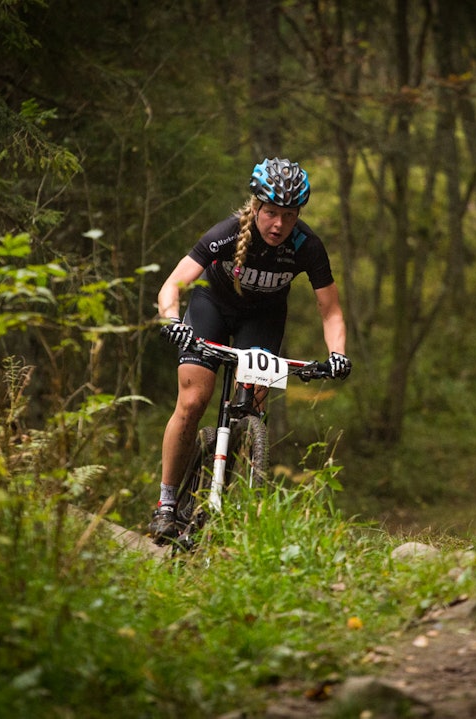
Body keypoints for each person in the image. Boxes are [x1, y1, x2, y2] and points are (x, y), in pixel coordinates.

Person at [150, 157, 350, 540]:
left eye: (289, 215)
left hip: (262, 319)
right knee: (193, 401)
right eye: (271, 213)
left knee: (251, 406)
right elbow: (172, 284)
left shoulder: (308, 246)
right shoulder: (226, 234)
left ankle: (232, 500)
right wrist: (172, 322)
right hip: (212, 309)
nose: (279, 224)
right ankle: (167, 502)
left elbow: (331, 311)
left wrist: (337, 354)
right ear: (256, 207)